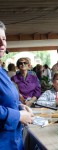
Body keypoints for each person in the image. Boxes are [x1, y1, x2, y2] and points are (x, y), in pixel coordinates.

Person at [0, 21, 33, 150]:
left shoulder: (2, 71)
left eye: (4, 39)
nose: (2, 44)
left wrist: (19, 106)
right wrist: (18, 115)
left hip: (11, 141)